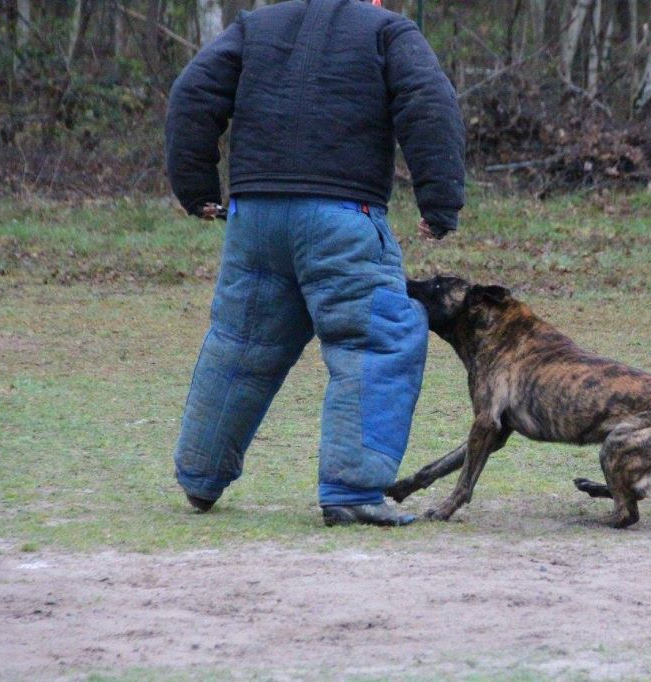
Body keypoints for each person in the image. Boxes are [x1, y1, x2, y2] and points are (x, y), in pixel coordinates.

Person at [164, 0, 465, 526]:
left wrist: (196, 189)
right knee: (376, 340)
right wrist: (439, 202)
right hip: (342, 216)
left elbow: (193, 92)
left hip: (253, 215)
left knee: (240, 343)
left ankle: (200, 476)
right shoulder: (388, 30)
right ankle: (351, 489)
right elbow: (429, 103)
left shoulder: (255, 26)